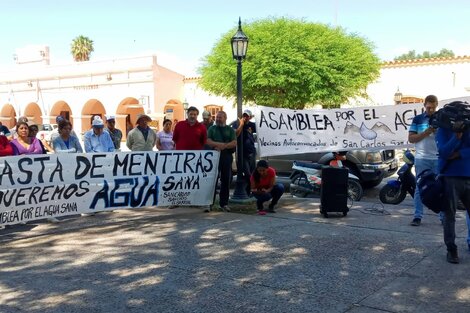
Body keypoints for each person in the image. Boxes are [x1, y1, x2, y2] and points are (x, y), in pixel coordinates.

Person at [435, 101, 470, 264]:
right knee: (449, 216)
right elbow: (443, 152)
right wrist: (457, 138)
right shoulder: (443, 129)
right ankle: (451, 249)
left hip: (467, 175)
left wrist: (458, 154)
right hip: (450, 177)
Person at [408, 95, 441, 226]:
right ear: (424, 105)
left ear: (437, 105)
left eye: (433, 107)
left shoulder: (441, 119)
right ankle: (417, 216)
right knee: (419, 187)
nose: (431, 110)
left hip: (438, 158)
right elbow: (411, 139)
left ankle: (442, 216)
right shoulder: (418, 119)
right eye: (428, 107)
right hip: (422, 158)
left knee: (441, 187)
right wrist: (426, 132)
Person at [206, 111, 237, 212]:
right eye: (217, 117)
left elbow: (234, 143)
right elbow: (208, 141)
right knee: (212, 180)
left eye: (220, 117)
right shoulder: (212, 129)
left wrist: (224, 146)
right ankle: (209, 203)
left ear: (225, 118)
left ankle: (224, 203)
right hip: (214, 157)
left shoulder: (230, 130)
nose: (218, 119)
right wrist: (218, 145)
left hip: (226, 157)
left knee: (225, 180)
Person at [231, 109, 257, 196]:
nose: (245, 117)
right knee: (247, 173)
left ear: (250, 117)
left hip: (251, 153)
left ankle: (249, 192)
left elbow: (261, 128)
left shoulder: (251, 125)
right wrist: (241, 124)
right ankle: (245, 191)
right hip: (242, 154)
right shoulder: (236, 123)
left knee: (253, 173)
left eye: (247, 116)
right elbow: (235, 133)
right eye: (244, 116)